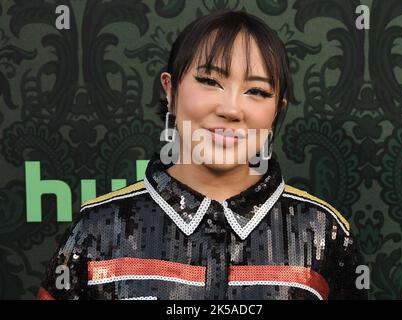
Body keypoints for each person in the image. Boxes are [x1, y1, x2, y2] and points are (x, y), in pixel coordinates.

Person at [37, 10, 367, 300]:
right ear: (170, 90)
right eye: (209, 80)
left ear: (277, 110)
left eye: (257, 91)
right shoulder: (98, 228)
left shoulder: (323, 231)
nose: (230, 108)